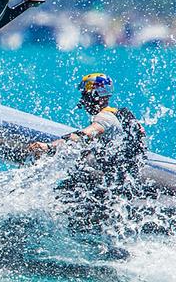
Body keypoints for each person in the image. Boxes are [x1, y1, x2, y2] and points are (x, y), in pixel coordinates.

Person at [27, 72, 148, 229]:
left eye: (85, 95)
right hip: (125, 180)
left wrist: (49, 147)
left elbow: (85, 136)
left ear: (94, 95)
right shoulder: (120, 115)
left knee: (62, 196)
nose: (82, 100)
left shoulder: (105, 118)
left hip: (113, 184)